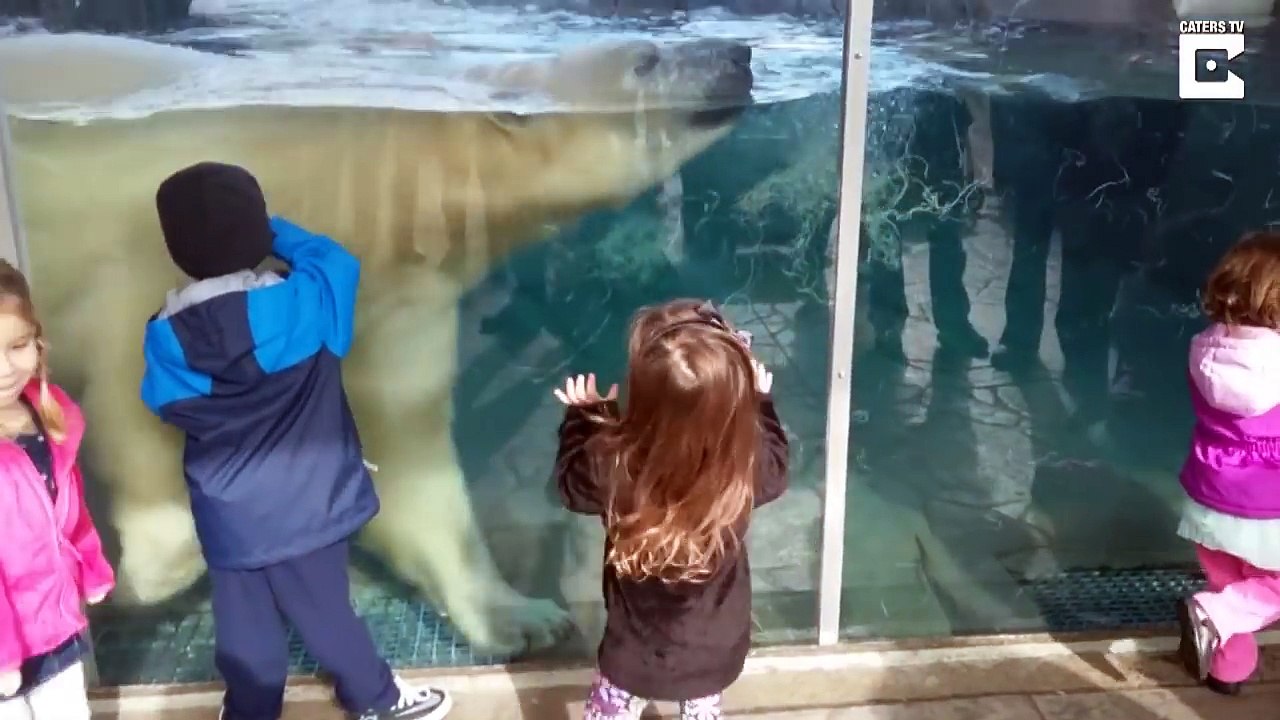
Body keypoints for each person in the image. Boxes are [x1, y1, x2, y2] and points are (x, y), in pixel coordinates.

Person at [139, 161, 450, 720]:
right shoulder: (307, 302)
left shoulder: (164, 334)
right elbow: (335, 260)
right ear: (256, 229)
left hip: (228, 513)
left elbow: (162, 403)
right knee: (326, 613)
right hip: (306, 503)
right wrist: (270, 230)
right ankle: (377, 700)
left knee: (245, 628)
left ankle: (250, 711)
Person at [552, 299, 790, 719]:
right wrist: (760, 404)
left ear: (642, 398)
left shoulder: (611, 463)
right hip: (713, 652)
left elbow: (571, 486)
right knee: (701, 709)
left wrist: (586, 418)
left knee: (610, 710)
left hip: (633, 652)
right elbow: (777, 468)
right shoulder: (745, 464)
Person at [0, 260, 115, 720]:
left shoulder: (49, 416)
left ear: (38, 340)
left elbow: (69, 510)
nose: (5, 368)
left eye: (17, 345)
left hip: (54, 626)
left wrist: (92, 566)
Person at [1176, 231, 1280, 697]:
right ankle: (1211, 615)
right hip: (1267, 504)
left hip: (1209, 494)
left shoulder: (1204, 348)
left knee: (1229, 583)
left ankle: (1227, 672)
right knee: (1250, 595)